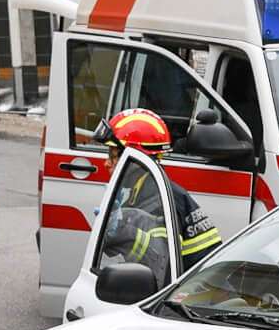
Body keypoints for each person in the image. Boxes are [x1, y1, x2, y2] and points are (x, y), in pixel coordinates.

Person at [89, 108, 221, 288]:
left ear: (135, 158)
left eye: (113, 156)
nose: (106, 163)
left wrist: (121, 231)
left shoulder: (158, 200)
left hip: (186, 294)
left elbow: (158, 262)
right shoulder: (143, 190)